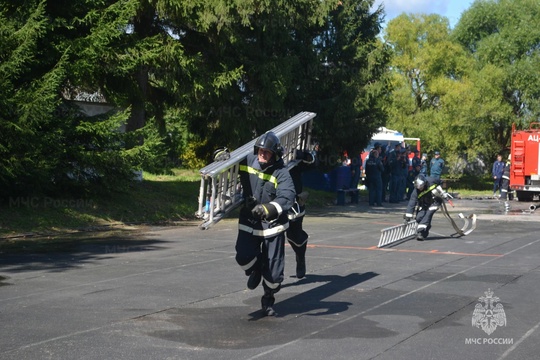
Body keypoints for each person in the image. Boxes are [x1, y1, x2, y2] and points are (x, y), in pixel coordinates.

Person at [235, 131, 295, 316]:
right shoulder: (247, 161)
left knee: (274, 275)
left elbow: (288, 196)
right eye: (260, 151)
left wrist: (268, 208)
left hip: (272, 226)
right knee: (243, 257)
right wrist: (222, 157)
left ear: (275, 154)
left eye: (266, 152)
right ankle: (256, 269)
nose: (262, 154)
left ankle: (268, 299)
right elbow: (228, 164)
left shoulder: (282, 173)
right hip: (249, 221)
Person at [287, 145, 318, 279]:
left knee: (295, 236)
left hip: (293, 202)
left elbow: (313, 163)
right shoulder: (265, 153)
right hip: (270, 201)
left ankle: (300, 258)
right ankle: (270, 273)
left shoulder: (292, 153)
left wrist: (304, 155)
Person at [404, 174, 451, 241]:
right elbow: (412, 202)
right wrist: (408, 216)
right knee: (419, 217)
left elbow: (440, 182)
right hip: (424, 203)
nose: (420, 189)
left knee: (428, 214)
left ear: (425, 183)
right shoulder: (416, 191)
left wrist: (440, 192)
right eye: (418, 187)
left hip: (435, 201)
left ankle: (421, 232)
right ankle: (426, 229)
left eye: (421, 187)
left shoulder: (432, 180)